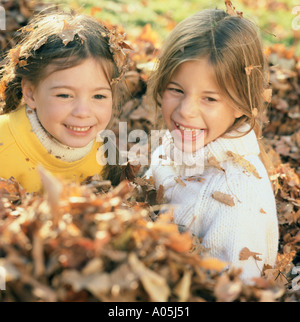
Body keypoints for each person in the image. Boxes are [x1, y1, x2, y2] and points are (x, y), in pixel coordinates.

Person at [145, 8, 279, 281]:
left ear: (241, 105)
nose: (186, 111)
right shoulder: (178, 146)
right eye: (177, 90)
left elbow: (238, 289)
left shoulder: (236, 198)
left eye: (210, 99)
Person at [0, 11, 127, 192]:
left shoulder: (105, 155)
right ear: (30, 93)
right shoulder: (3, 146)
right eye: (64, 95)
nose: (83, 112)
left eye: (99, 96)